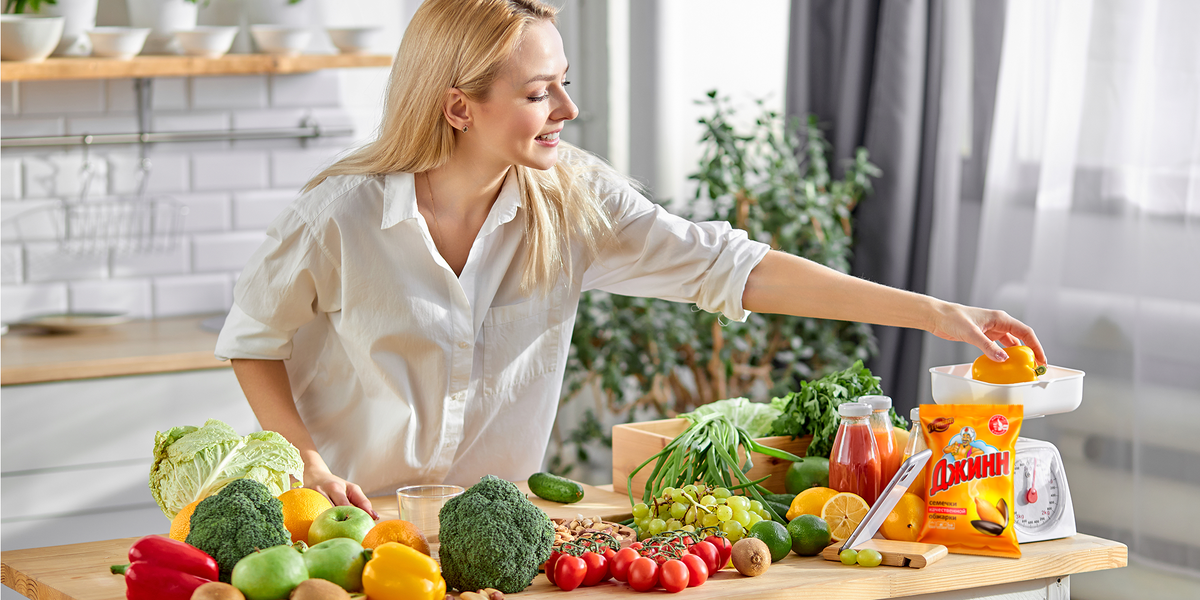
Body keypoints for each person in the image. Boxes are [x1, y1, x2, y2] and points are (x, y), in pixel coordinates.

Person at [215, 0, 1046, 519]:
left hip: (495, 532)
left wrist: (938, 313)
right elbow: (254, 339)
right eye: (540, 92)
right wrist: (310, 462)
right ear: (458, 107)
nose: (569, 109)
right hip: (346, 527)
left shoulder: (573, 200)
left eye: (563, 83)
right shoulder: (343, 215)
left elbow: (734, 268)